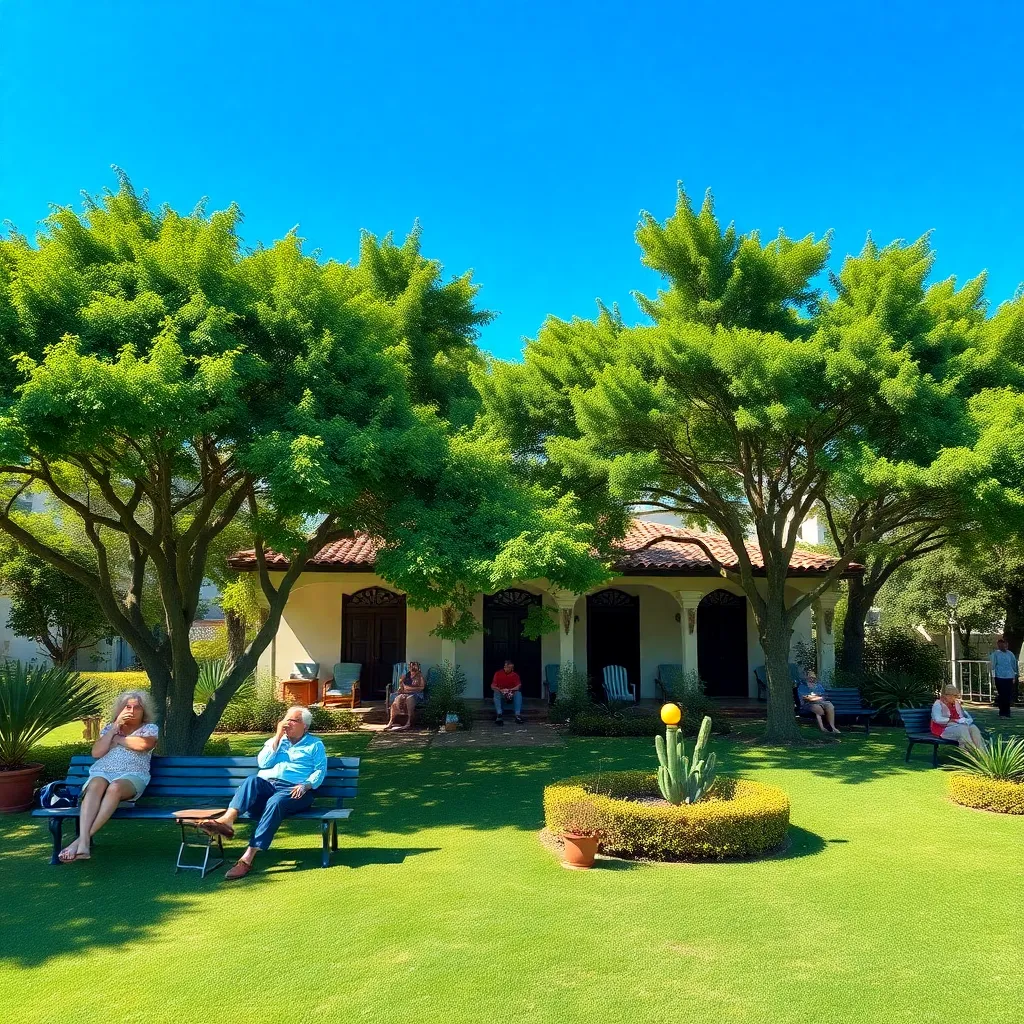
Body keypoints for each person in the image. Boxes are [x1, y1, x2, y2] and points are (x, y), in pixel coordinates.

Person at [199, 706, 327, 880]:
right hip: (268, 786)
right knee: (252, 780)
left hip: (296, 791)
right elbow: (263, 763)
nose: (287, 723)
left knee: (276, 802)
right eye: (286, 719)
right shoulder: (278, 740)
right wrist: (277, 737)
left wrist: (306, 785)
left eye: (293, 720)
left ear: (305, 726)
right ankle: (227, 821)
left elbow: (320, 770)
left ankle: (247, 859)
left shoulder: (315, 744)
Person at [58, 690, 159, 863]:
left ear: (144, 711)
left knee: (115, 788)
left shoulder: (149, 729)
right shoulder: (109, 728)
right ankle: (84, 845)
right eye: (127, 707)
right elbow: (97, 753)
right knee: (95, 785)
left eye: (137, 707)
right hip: (102, 772)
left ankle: (79, 842)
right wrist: (114, 729)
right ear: (120, 710)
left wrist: (118, 740)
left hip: (132, 775)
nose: (132, 711)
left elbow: (144, 745)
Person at [931, 684, 987, 750]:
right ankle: (972, 751)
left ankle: (982, 751)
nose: (955, 698)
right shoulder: (938, 704)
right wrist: (953, 720)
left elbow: (960, 716)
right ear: (946, 695)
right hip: (942, 729)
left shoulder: (956, 703)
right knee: (962, 730)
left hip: (957, 726)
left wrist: (965, 720)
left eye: (955, 696)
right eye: (953, 696)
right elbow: (937, 719)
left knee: (973, 728)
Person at [386, 661, 427, 731]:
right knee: (396, 701)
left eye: (414, 666)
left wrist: (410, 689)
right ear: (409, 668)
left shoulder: (420, 677)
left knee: (409, 699)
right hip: (405, 693)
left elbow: (422, 688)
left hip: (416, 694)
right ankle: (391, 721)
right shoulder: (405, 676)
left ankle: (409, 723)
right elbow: (401, 686)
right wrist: (401, 689)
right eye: (411, 666)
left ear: (418, 668)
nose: (412, 668)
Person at [796, 669, 840, 734]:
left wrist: (818, 698)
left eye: (813, 677)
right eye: (810, 677)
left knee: (830, 705)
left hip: (820, 702)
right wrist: (815, 697)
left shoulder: (818, 685)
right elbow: (805, 698)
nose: (812, 679)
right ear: (807, 678)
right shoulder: (802, 686)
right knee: (818, 709)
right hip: (808, 704)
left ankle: (833, 727)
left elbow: (823, 695)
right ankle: (822, 728)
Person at [989, 637, 1019, 718]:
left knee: (1008, 694)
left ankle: (1007, 712)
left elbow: (1014, 665)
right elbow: (993, 666)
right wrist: (993, 676)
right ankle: (1002, 712)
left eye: (1005, 645)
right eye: (1002, 645)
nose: (1004, 646)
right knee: (1002, 694)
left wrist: (1014, 675)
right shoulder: (995, 654)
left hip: (1009, 676)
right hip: (999, 676)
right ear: (999, 645)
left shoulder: (1010, 654)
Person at [491, 659, 523, 726]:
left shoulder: (515, 675)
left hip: (511, 692)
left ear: (512, 668)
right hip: (501, 692)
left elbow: (518, 686)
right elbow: (493, 686)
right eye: (505, 666)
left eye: (509, 667)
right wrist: (500, 690)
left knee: (518, 693)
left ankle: (517, 715)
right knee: (496, 693)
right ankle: (499, 714)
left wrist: (509, 690)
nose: (506, 668)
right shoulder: (498, 673)